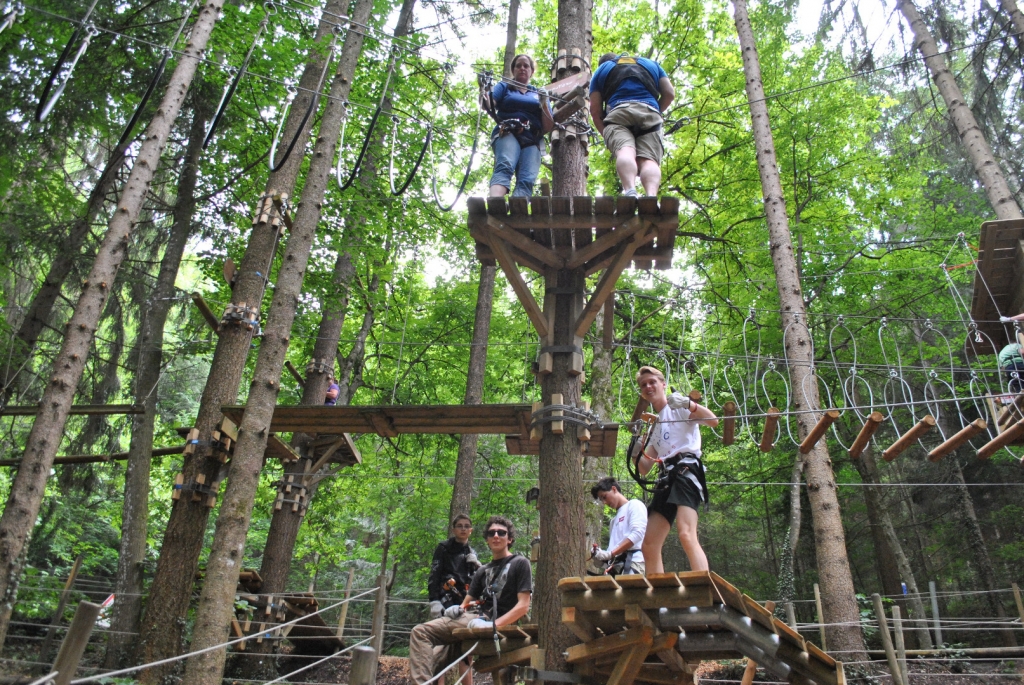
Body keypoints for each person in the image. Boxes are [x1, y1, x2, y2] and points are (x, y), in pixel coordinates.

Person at [409, 516, 532, 685]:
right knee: (433, 662)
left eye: (501, 533)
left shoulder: (520, 563)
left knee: (420, 632)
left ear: (509, 539)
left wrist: (494, 625)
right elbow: (465, 604)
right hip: (472, 619)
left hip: (491, 621)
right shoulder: (483, 571)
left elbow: (523, 606)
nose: (496, 535)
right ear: (487, 540)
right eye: (491, 533)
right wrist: (456, 609)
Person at [632, 365, 718, 573]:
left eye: (652, 382)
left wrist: (689, 404)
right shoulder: (655, 425)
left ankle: (703, 585)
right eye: (644, 385)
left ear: (663, 384)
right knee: (649, 543)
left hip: (686, 470)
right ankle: (658, 595)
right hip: (666, 478)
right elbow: (644, 468)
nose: (648, 386)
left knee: (686, 533)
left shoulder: (678, 406)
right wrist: (636, 447)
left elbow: (713, 420)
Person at [589, 53, 675, 198]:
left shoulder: (602, 69)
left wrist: (606, 134)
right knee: (649, 160)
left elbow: (595, 110)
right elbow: (669, 93)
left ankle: (630, 191)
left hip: (618, 114)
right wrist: (655, 110)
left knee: (625, 151)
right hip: (650, 114)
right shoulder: (651, 64)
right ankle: (651, 197)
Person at [483, 54, 555, 198]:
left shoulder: (539, 93)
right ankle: (495, 202)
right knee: (505, 165)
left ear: (531, 71)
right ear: (513, 70)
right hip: (508, 131)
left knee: (527, 179)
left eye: (526, 65)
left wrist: (544, 104)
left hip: (532, 139)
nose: (522, 68)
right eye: (518, 65)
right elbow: (489, 104)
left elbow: (547, 126)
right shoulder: (504, 87)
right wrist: (484, 92)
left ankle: (517, 211)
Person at [590, 477, 647, 575]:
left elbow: (638, 533)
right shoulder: (613, 521)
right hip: (616, 566)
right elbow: (612, 550)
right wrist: (601, 557)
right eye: (601, 500)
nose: (604, 502)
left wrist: (611, 553)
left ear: (614, 489)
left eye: (604, 497)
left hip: (633, 563)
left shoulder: (634, 505)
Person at [427, 515, 480, 619]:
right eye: (459, 526)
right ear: (454, 530)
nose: (463, 529)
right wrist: (434, 601)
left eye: (466, 526)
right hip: (446, 598)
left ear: (471, 530)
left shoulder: (472, 553)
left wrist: (477, 565)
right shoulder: (444, 548)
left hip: (465, 601)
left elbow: (477, 582)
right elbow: (434, 575)